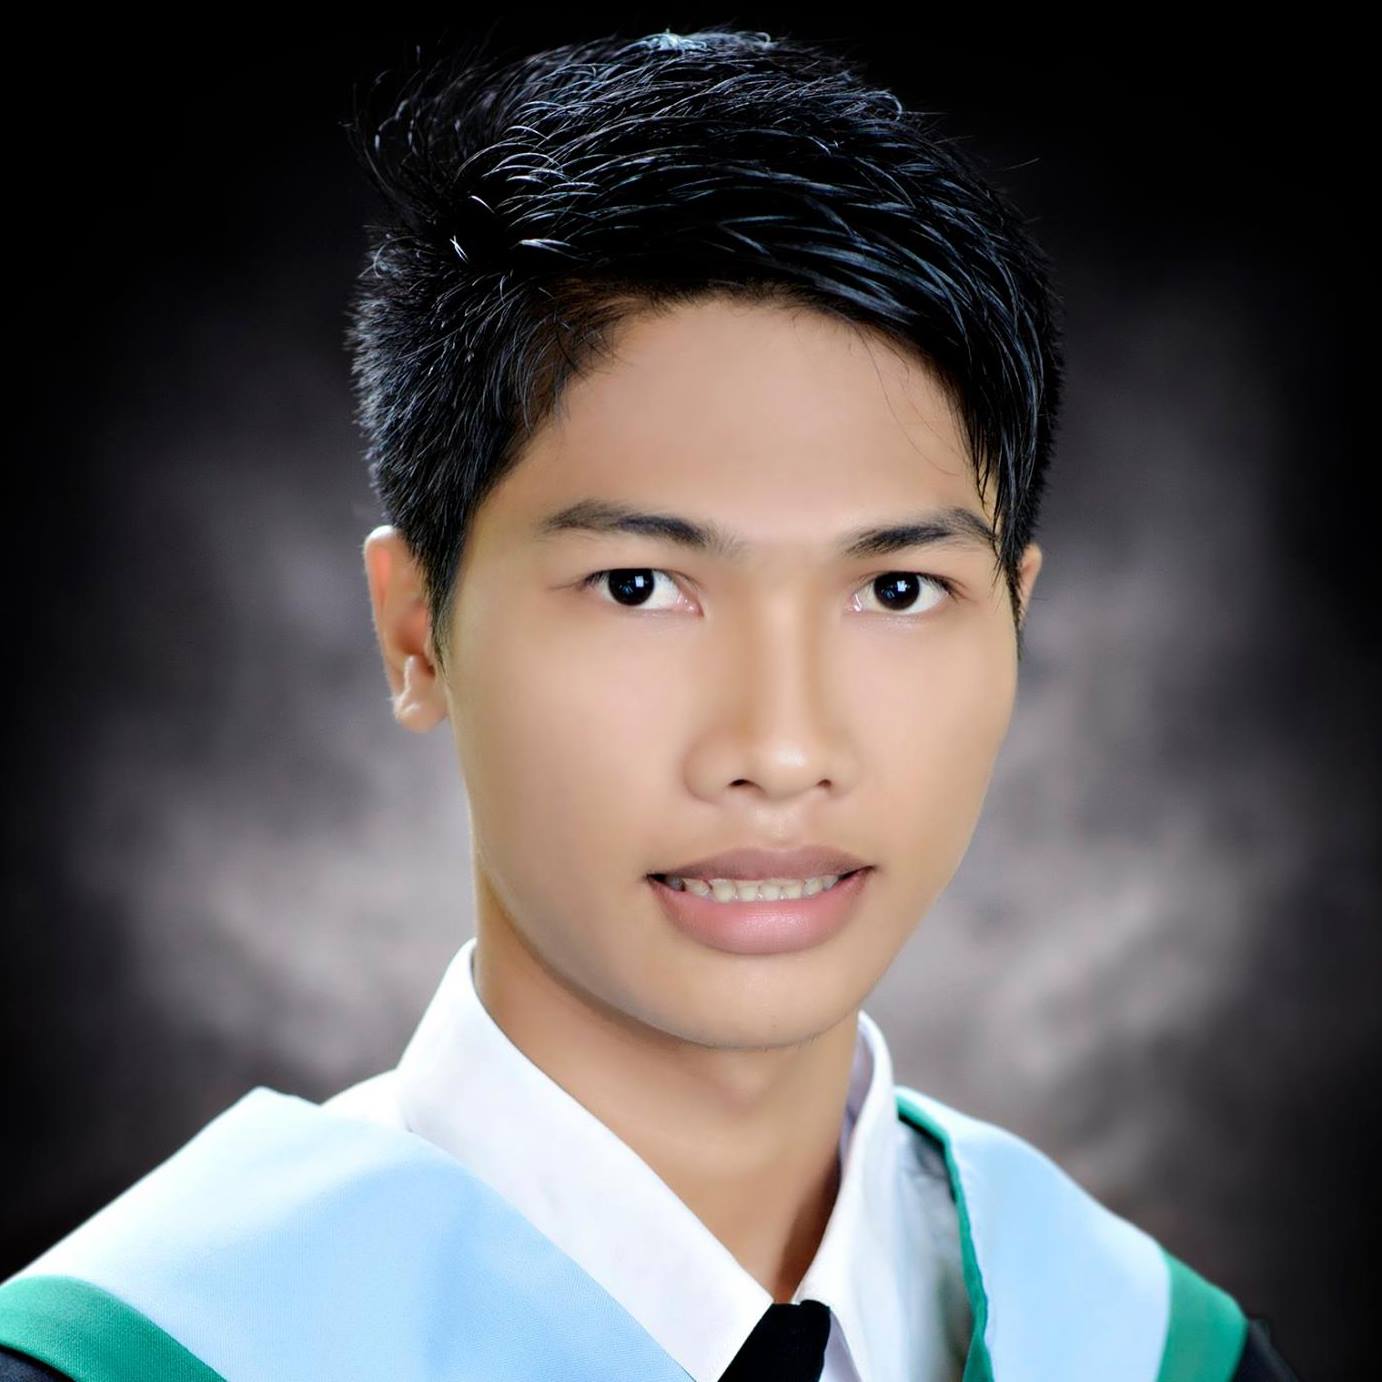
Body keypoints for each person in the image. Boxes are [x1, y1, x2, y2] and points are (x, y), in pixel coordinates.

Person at [0, 26, 1299, 1382]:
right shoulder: (149, 1348)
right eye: (638, 585)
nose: (780, 749)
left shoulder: (1147, 1345)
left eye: (898, 589)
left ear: (1014, 621)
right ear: (415, 633)